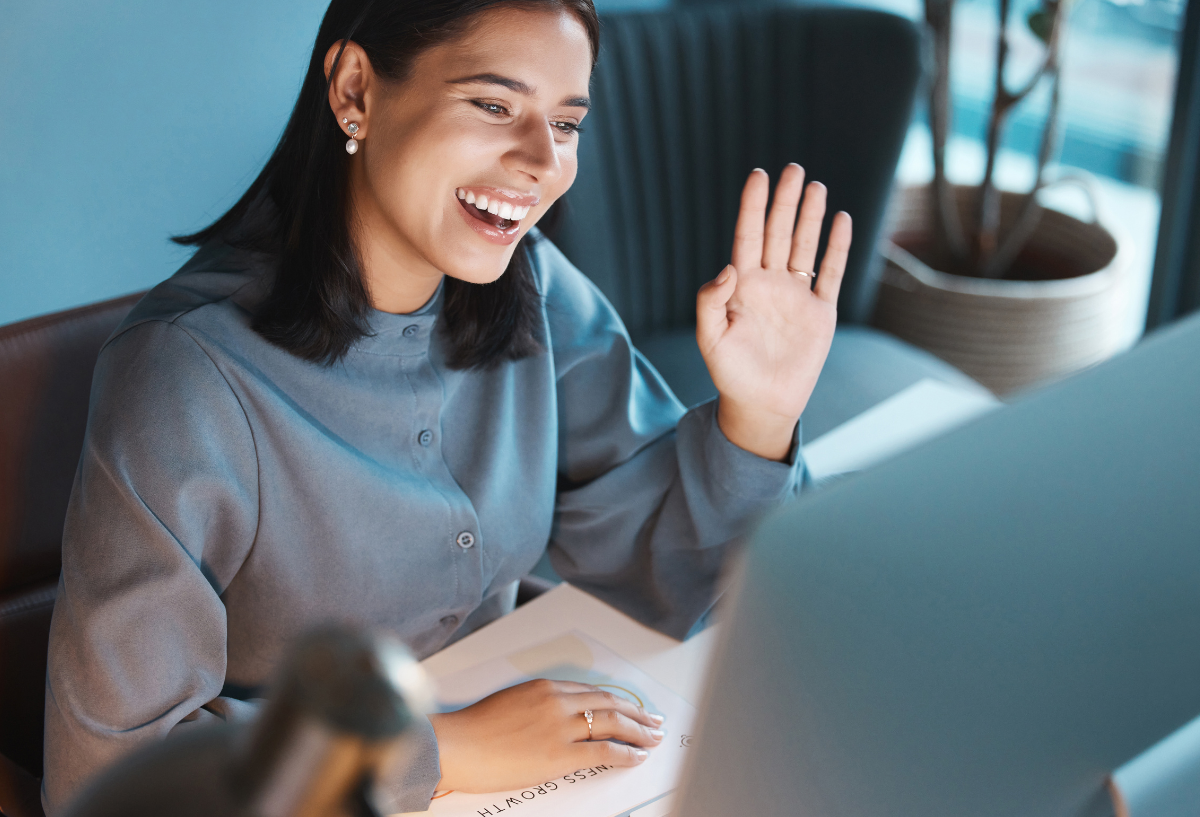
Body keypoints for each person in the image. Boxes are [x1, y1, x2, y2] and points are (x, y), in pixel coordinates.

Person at [42, 0, 852, 813]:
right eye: (495, 105)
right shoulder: (187, 377)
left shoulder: (530, 285)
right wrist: (445, 749)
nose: (541, 160)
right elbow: (110, 779)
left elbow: (673, 567)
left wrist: (759, 413)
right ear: (356, 89)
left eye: (566, 123)